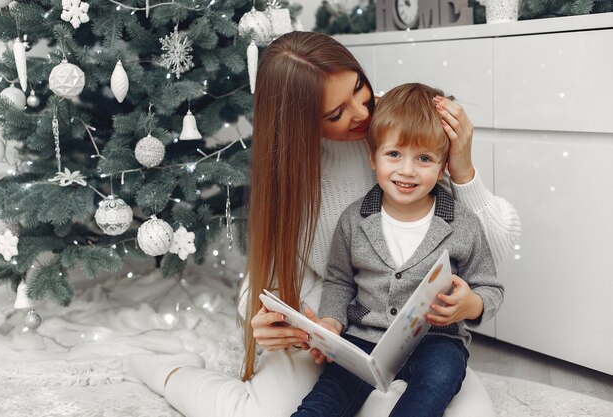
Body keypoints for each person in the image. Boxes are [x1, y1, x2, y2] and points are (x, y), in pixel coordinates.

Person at [126, 31, 520, 417]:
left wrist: (463, 168)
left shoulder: (401, 123)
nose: (364, 113)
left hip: (422, 337)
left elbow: (488, 253)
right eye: (336, 113)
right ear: (299, 122)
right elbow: (275, 274)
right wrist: (278, 320)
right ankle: (169, 373)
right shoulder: (293, 172)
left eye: (359, 88)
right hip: (340, 324)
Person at [291, 83, 504, 417]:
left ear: (443, 165)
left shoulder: (463, 224)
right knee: (323, 401)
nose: (407, 170)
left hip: (438, 341)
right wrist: (331, 323)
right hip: (364, 339)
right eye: (394, 154)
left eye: (423, 158)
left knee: (438, 381)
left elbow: (490, 287)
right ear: (373, 158)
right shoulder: (353, 219)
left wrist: (471, 304)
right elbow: (339, 281)